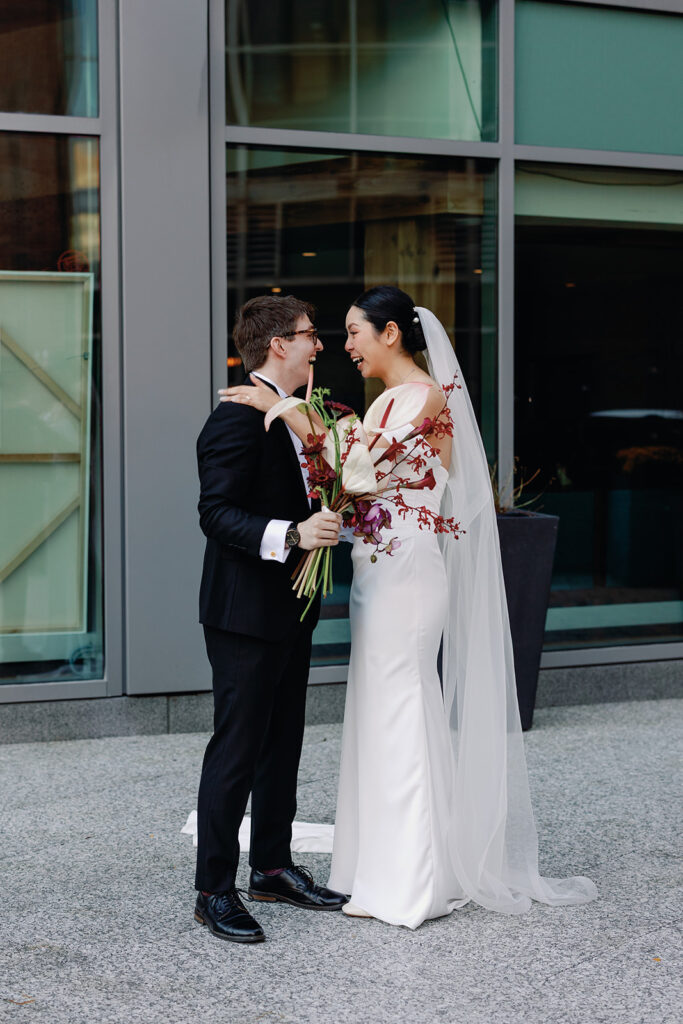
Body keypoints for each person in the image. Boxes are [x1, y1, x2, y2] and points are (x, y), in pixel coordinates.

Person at [221, 286, 598, 929]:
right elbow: (355, 482)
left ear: (390, 333)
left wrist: (284, 407)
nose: (345, 346)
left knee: (403, 706)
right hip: (376, 573)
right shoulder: (385, 401)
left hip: (409, 576)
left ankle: (413, 881)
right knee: (377, 710)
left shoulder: (427, 397)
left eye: (354, 332)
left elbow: (359, 469)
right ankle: (376, 866)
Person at [194, 294, 347, 945]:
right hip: (244, 614)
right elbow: (216, 514)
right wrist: (292, 533)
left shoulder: (302, 415)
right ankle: (212, 890)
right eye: (311, 334)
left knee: (283, 743)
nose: (320, 344)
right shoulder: (235, 418)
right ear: (279, 344)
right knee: (237, 749)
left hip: (292, 608)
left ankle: (273, 868)